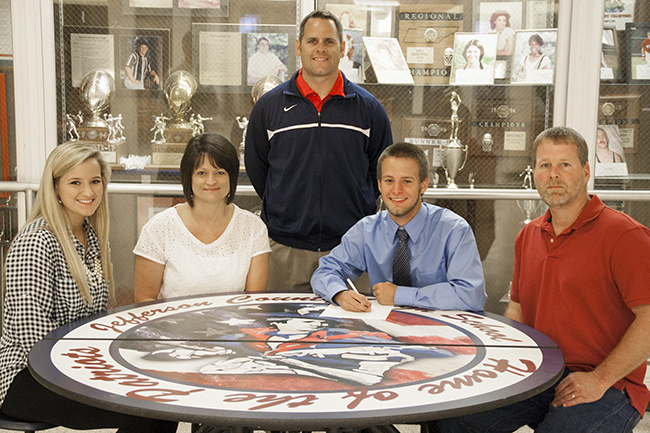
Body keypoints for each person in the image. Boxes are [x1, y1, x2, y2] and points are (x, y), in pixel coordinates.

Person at [436, 126, 650, 432]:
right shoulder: (529, 235)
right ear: (534, 172)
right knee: (452, 418)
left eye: (565, 164)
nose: (553, 174)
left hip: (609, 383)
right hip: (538, 372)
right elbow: (518, 310)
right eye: (544, 165)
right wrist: (496, 366)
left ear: (586, 171)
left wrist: (600, 379)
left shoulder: (626, 236)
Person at [0, 142, 177, 433]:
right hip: (28, 378)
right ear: (55, 187)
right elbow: (33, 338)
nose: (88, 192)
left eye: (95, 181)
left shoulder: (92, 238)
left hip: (73, 367)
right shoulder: (36, 243)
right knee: (148, 411)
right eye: (75, 183)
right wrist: (95, 373)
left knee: (159, 397)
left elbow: (94, 321)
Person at [245, 10, 393, 292]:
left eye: (329, 41)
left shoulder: (369, 109)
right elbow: (258, 167)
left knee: (349, 335)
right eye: (312, 41)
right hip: (285, 249)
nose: (321, 49)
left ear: (343, 47)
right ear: (299, 47)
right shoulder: (269, 107)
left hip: (350, 250)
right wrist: (288, 207)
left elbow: (381, 172)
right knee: (283, 332)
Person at [311, 142, 486, 312]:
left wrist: (400, 295)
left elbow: (472, 295)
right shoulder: (366, 230)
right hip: (383, 333)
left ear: (423, 185)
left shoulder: (454, 230)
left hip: (442, 334)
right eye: (389, 180)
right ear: (379, 185)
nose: (396, 190)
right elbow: (324, 272)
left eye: (407, 181)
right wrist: (340, 294)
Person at [134, 134, 270, 302]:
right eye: (201, 173)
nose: (211, 181)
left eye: (220, 172)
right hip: (173, 327)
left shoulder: (253, 228)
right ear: (188, 177)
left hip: (236, 327)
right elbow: (145, 299)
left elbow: (254, 304)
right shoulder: (159, 228)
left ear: (232, 177)